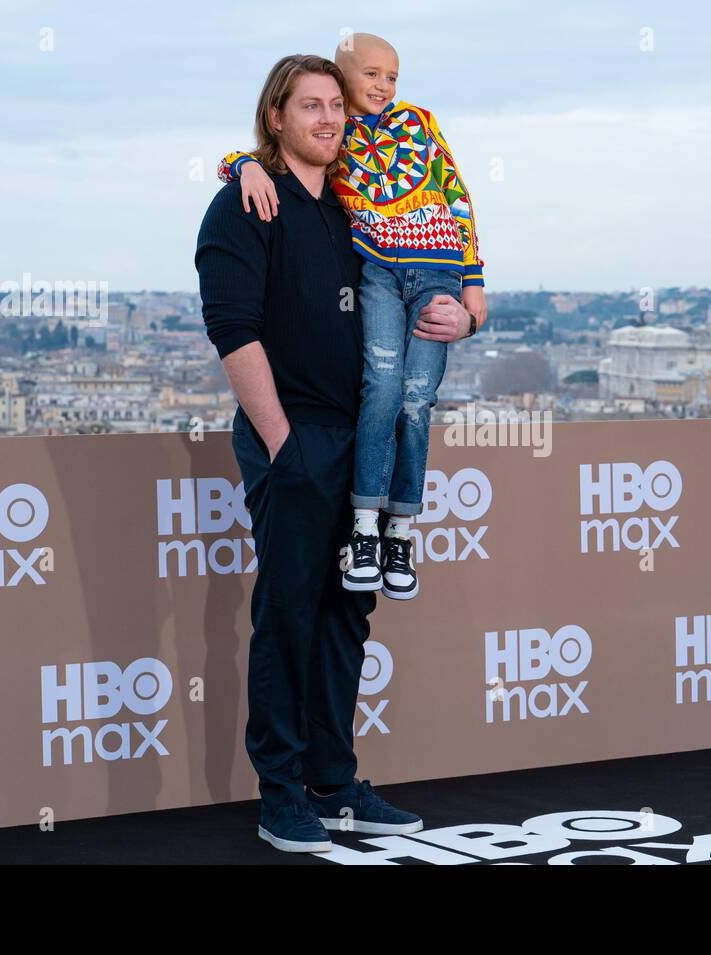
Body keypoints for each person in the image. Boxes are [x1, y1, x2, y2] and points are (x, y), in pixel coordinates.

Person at [195, 53, 473, 853]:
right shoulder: (244, 205)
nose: (327, 119)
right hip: (296, 440)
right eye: (309, 106)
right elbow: (233, 331)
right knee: (286, 615)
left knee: (346, 613)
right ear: (274, 116)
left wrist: (467, 314)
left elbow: (430, 260)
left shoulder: (354, 208)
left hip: (363, 448)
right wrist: (283, 445)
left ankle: (334, 781)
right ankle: (281, 795)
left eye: (336, 107)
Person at [216, 32, 487, 601]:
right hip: (304, 428)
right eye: (368, 77)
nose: (382, 88)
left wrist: (471, 299)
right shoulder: (335, 155)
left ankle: (397, 531)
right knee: (290, 613)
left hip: (429, 290)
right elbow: (282, 151)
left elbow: (456, 195)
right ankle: (373, 527)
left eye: (392, 77)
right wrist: (244, 166)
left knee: (415, 402)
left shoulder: (410, 132)